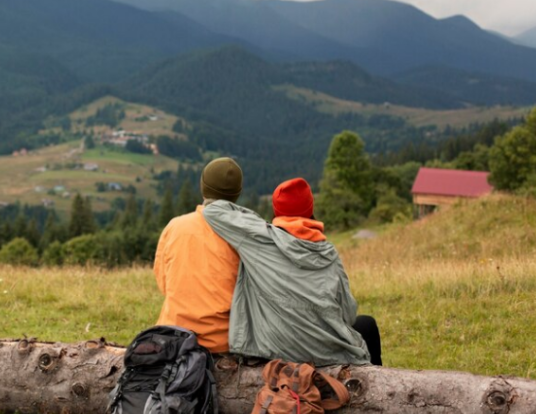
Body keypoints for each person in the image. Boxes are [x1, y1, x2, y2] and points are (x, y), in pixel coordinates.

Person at [202, 176, 377, 366]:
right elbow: (348, 315)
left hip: (272, 351)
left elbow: (213, 210)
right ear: (310, 209)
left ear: (277, 210)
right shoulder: (329, 254)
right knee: (366, 324)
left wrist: (261, 223)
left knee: (366, 324)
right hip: (326, 355)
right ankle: (378, 386)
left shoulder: (259, 240)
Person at [153, 157, 243, 353]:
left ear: (203, 186)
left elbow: (164, 284)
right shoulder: (246, 233)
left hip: (171, 337)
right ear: (237, 193)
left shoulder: (175, 226)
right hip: (224, 342)